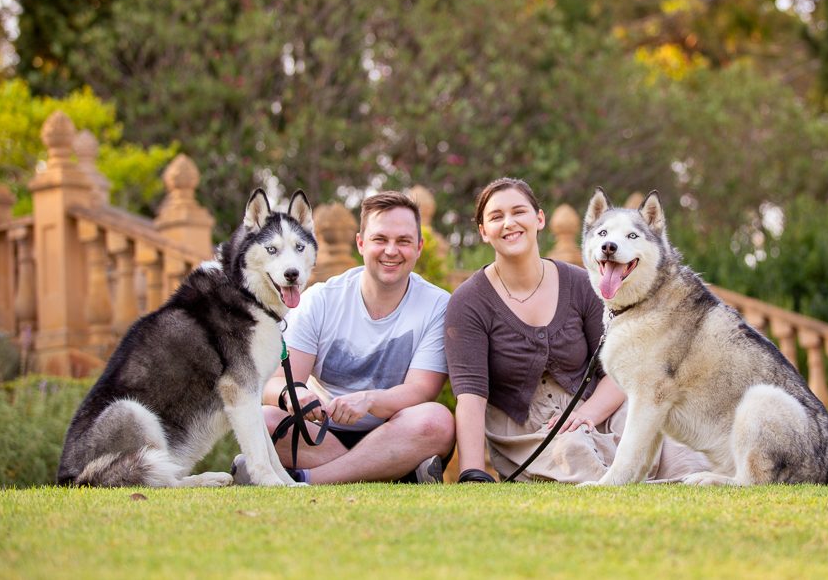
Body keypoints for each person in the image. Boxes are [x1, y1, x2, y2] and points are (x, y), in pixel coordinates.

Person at [445, 178, 709, 483]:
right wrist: (473, 473)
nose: (509, 223)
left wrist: (587, 415)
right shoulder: (468, 302)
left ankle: (691, 485)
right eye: (495, 217)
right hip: (527, 428)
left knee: (664, 426)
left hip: (597, 405)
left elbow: (619, 368)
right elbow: (471, 398)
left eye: (519, 212)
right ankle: (640, 489)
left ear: (539, 219)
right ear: (483, 231)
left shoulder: (580, 284)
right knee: (573, 450)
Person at [232, 191, 454, 484]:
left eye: (403, 241)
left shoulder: (438, 305)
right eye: (380, 240)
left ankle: (305, 478)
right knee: (263, 419)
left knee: (436, 421)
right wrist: (293, 395)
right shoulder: (322, 300)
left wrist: (369, 401)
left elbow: (421, 391)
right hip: (320, 432)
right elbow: (273, 383)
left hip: (395, 429)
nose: (391, 251)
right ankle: (394, 471)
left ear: (419, 247)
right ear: (361, 243)